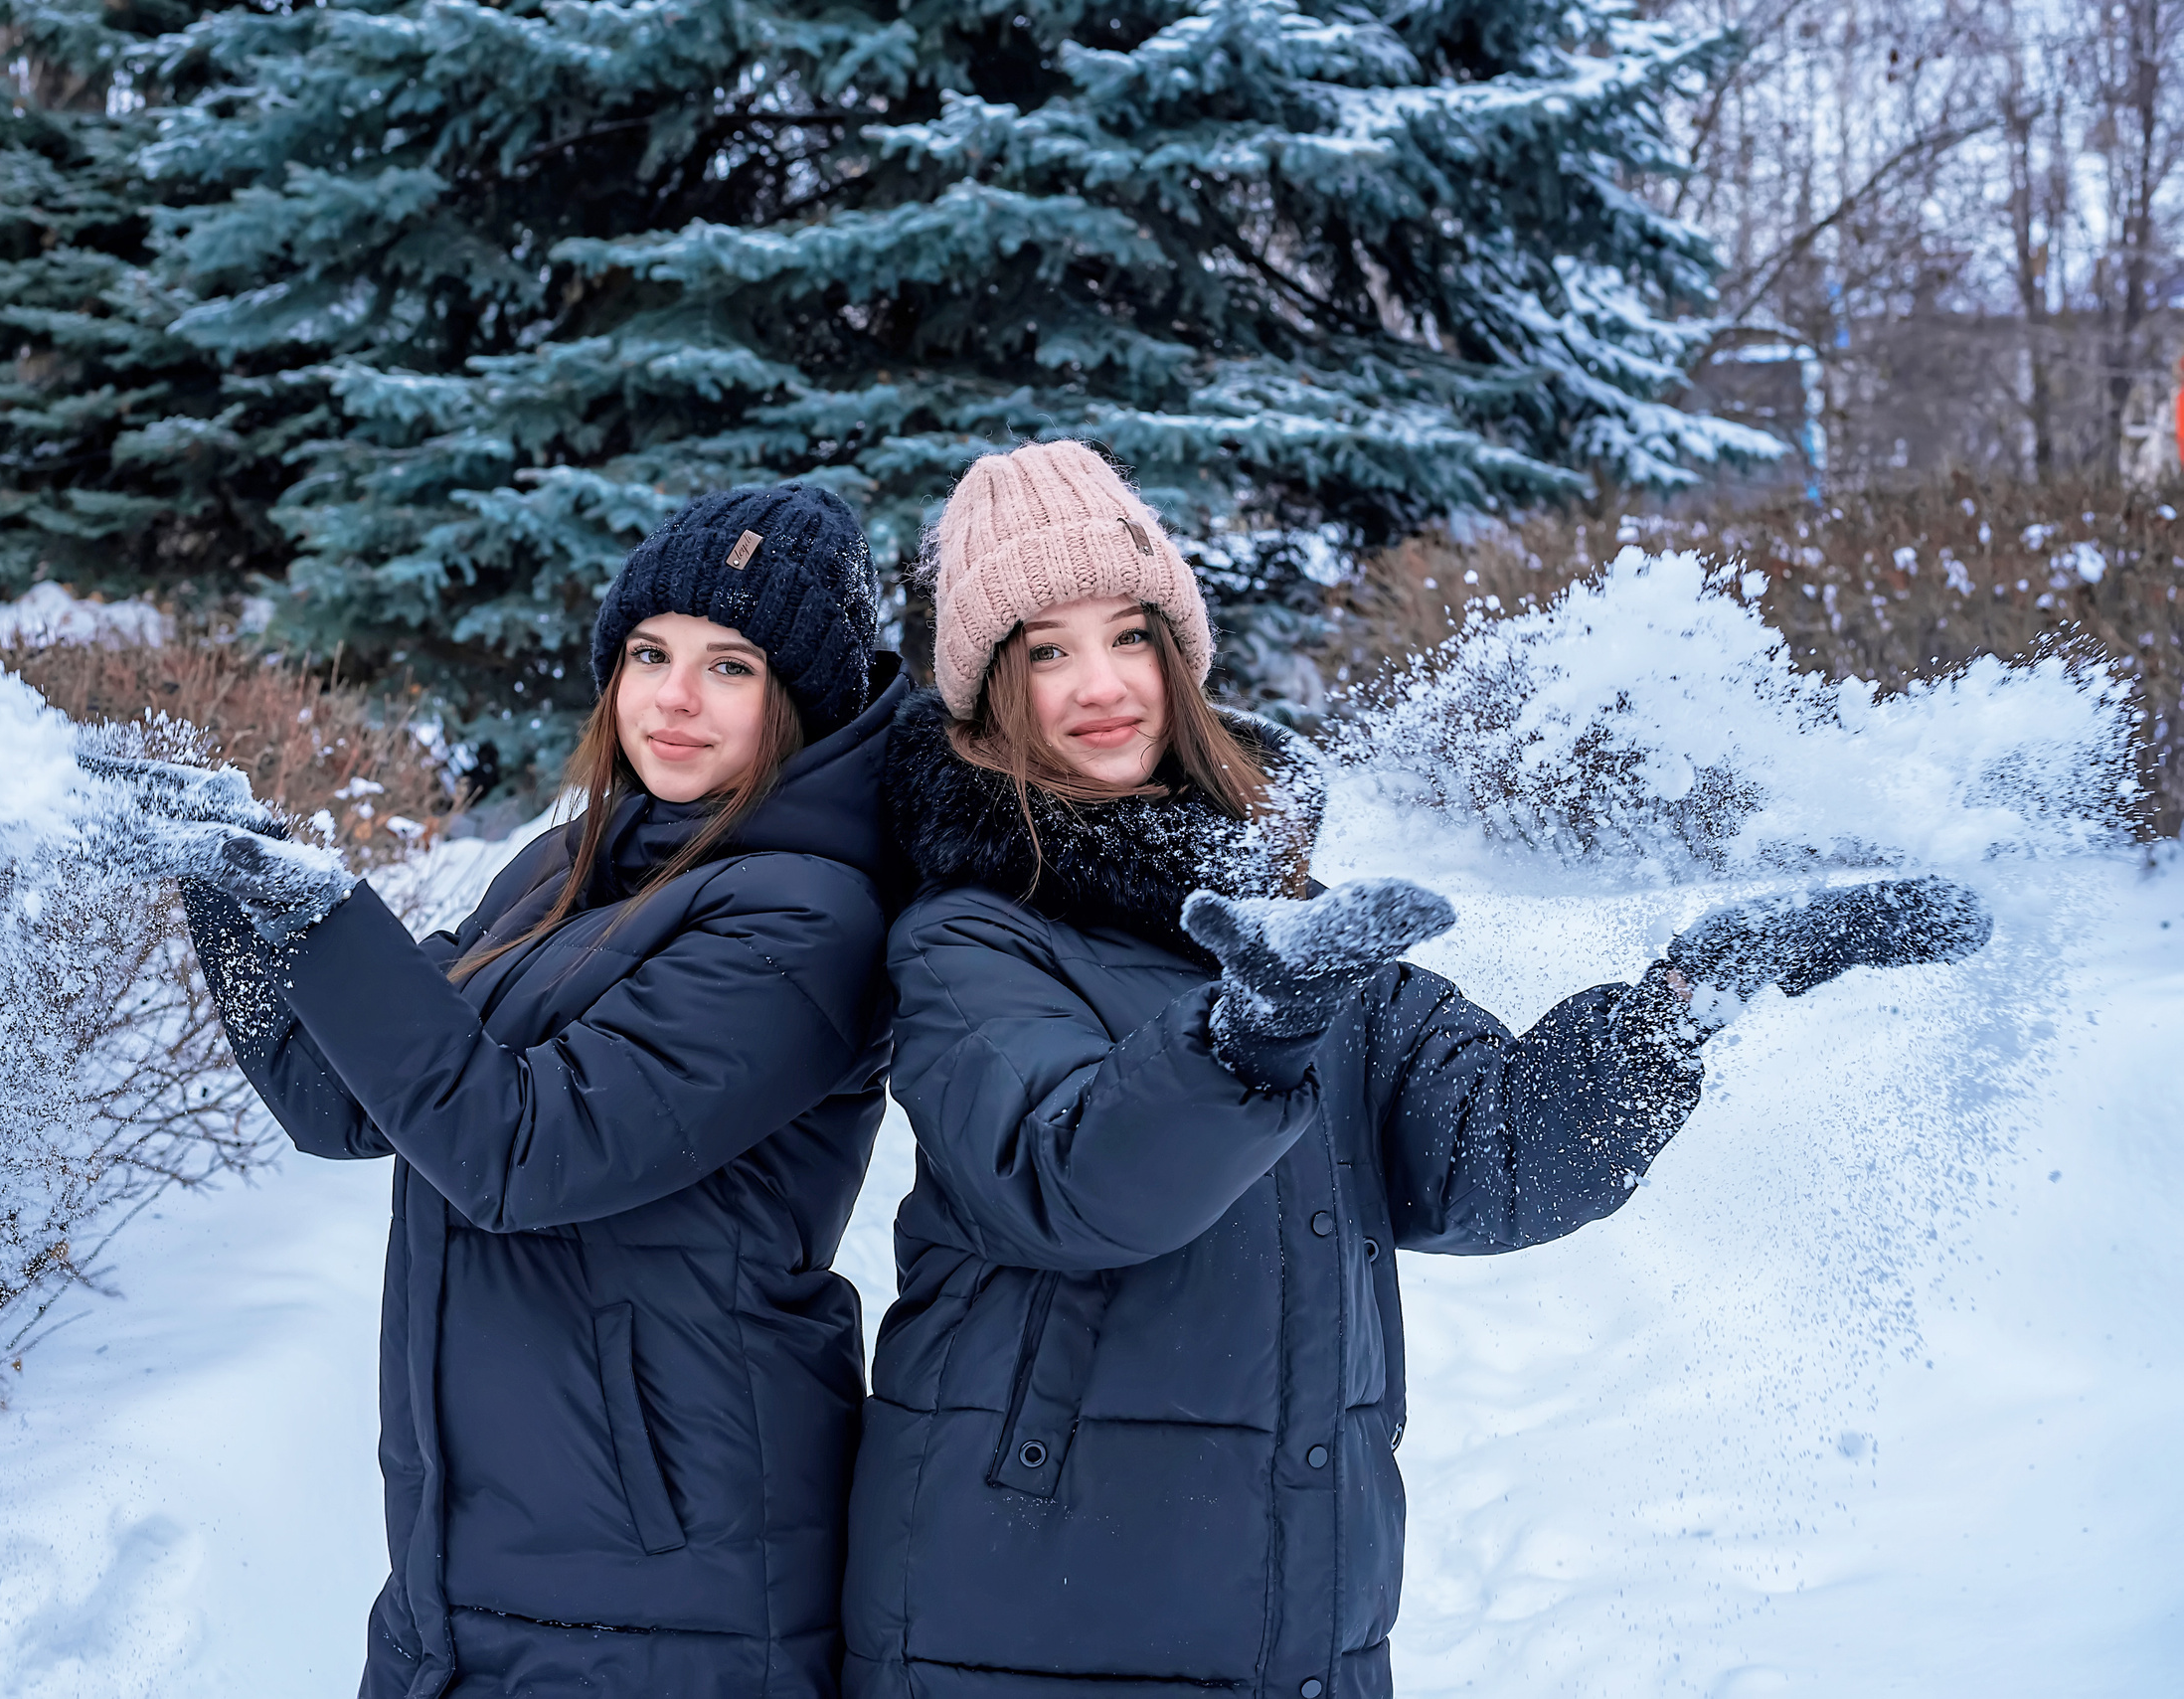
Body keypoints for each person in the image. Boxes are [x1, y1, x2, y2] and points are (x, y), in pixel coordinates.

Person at [839, 440, 1990, 1699]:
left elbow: (1491, 1159)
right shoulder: (968, 938)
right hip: (1019, 1612)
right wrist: (1246, 1035)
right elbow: (1072, 1184)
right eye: (1044, 649)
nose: (1101, 682)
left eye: (1129, 634)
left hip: (1294, 1605)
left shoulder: (1303, 935)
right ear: (987, 688)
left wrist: (1679, 1001)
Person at [102, 484, 909, 1699]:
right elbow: (343, 1098)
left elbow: (518, 1150)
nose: (672, 698)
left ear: (803, 701)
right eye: (650, 653)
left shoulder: (808, 919)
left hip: (667, 1588)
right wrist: (233, 877)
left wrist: (311, 904)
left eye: (729, 666)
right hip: (464, 1560)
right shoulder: (576, 860)